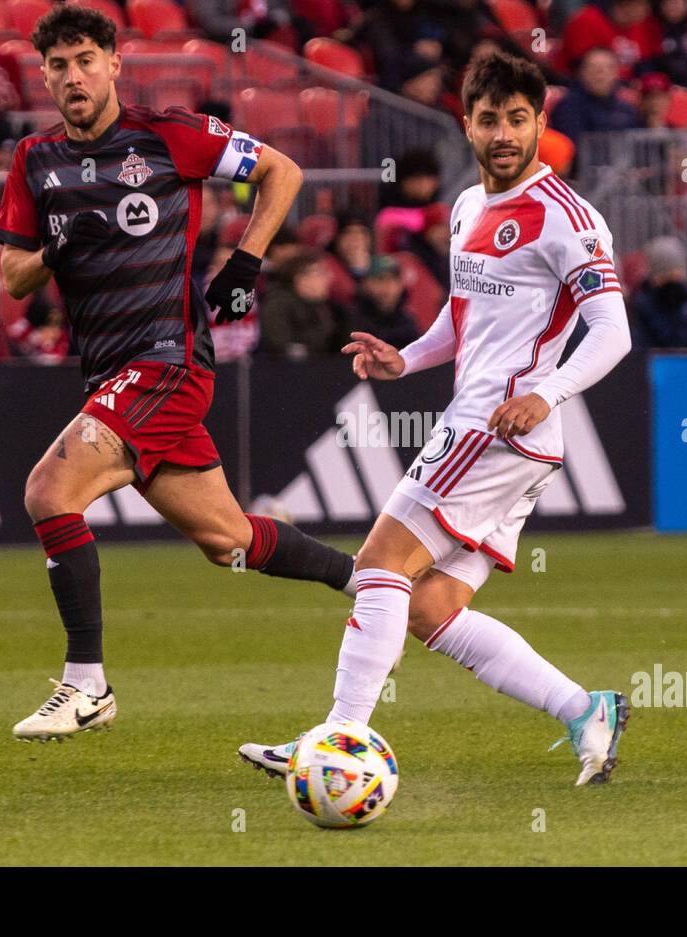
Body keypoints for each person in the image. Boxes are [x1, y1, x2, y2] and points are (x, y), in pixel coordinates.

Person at [240, 52, 635, 787]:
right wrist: (406, 358)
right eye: (491, 119)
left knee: (379, 567)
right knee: (429, 608)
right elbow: (465, 322)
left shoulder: (567, 218)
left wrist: (546, 394)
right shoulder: (464, 207)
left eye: (520, 119)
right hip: (499, 432)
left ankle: (340, 741)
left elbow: (613, 332)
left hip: (499, 429)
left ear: (541, 124)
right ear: (469, 125)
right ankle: (586, 709)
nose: (506, 133)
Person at [0, 6, 357, 741]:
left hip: (167, 361)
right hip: (109, 375)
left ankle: (86, 684)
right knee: (230, 541)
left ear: (115, 63)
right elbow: (14, 276)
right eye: (58, 66)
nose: (73, 77)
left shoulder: (169, 135)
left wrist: (246, 261)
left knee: (47, 491)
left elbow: (281, 171)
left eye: (86, 60)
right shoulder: (36, 159)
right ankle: (370, 581)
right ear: (44, 76)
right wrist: (57, 249)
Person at [351, 255, 420, 348]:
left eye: (394, 280)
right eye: (381, 279)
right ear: (366, 284)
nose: (388, 286)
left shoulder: (408, 322)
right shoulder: (353, 320)